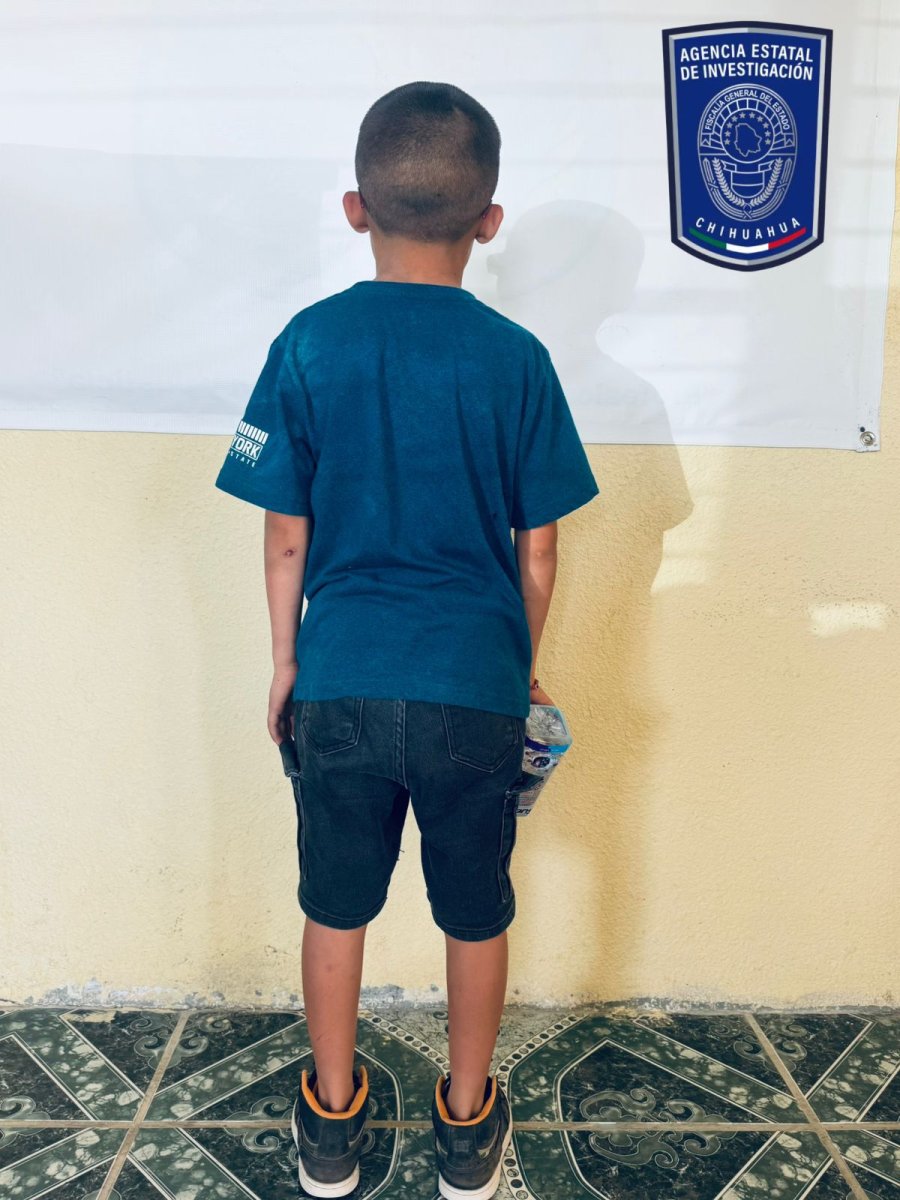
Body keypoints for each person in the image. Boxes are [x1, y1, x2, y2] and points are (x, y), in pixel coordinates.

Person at [214, 80, 600, 1200]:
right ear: (490, 221)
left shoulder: (308, 343)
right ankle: (468, 1128)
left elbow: (286, 535)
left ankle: (331, 1126)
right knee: (474, 911)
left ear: (355, 208)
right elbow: (538, 553)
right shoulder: (518, 359)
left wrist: (287, 664)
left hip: (339, 681)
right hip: (474, 689)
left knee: (335, 905)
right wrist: (516, 667)